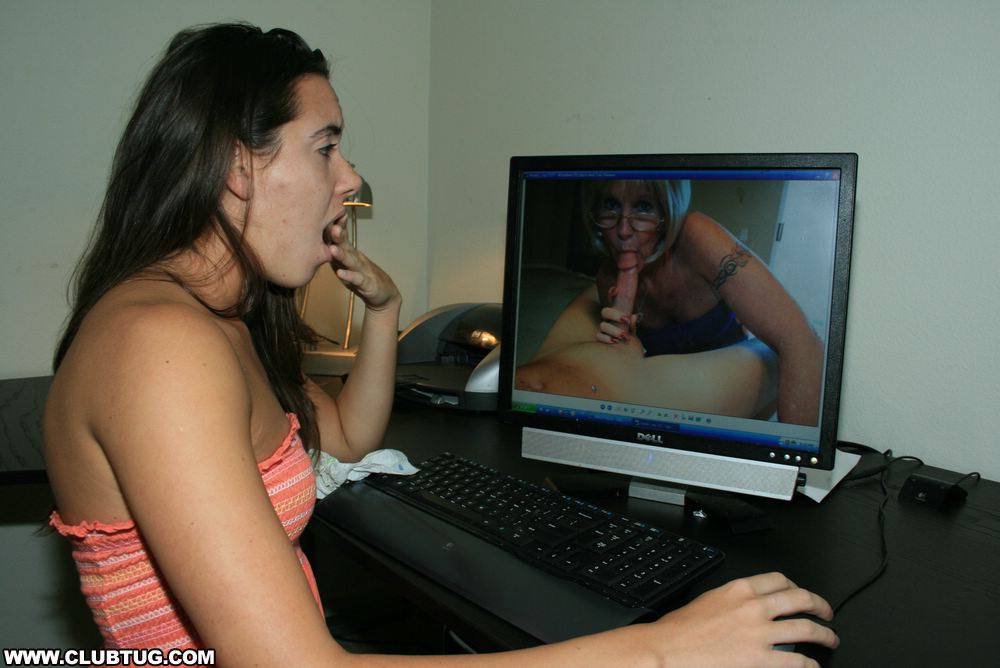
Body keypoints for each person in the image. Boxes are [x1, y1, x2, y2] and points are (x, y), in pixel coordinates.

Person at [43, 22, 838, 666]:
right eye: (325, 147)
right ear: (235, 167)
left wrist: (385, 312)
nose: (350, 178)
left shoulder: (215, 323)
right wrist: (662, 651)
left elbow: (344, 439)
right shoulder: (162, 347)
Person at [516, 178, 823, 425]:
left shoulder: (696, 235)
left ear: (668, 209)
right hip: (672, 401)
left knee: (776, 351)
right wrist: (620, 331)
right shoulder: (608, 276)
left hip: (734, 381)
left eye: (643, 207)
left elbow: (804, 342)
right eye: (611, 205)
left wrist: (795, 463)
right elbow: (630, 368)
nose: (623, 230)